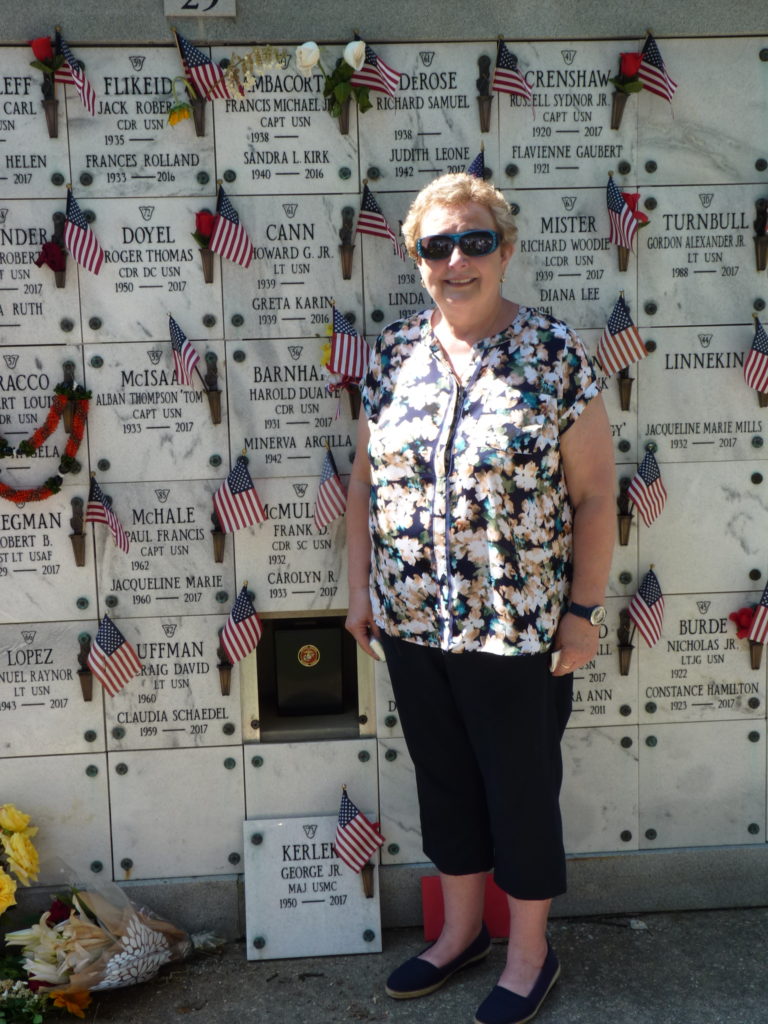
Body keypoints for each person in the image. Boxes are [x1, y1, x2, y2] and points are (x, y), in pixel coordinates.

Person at [345, 172, 615, 1024]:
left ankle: (530, 953)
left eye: (474, 241)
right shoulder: (394, 352)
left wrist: (582, 613)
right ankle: (460, 933)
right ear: (416, 257)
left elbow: (596, 495)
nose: (455, 260)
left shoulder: (553, 351)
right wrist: (359, 589)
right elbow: (364, 482)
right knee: (446, 783)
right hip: (412, 621)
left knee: (520, 790)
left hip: (517, 626)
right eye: (437, 245)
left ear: (505, 250)